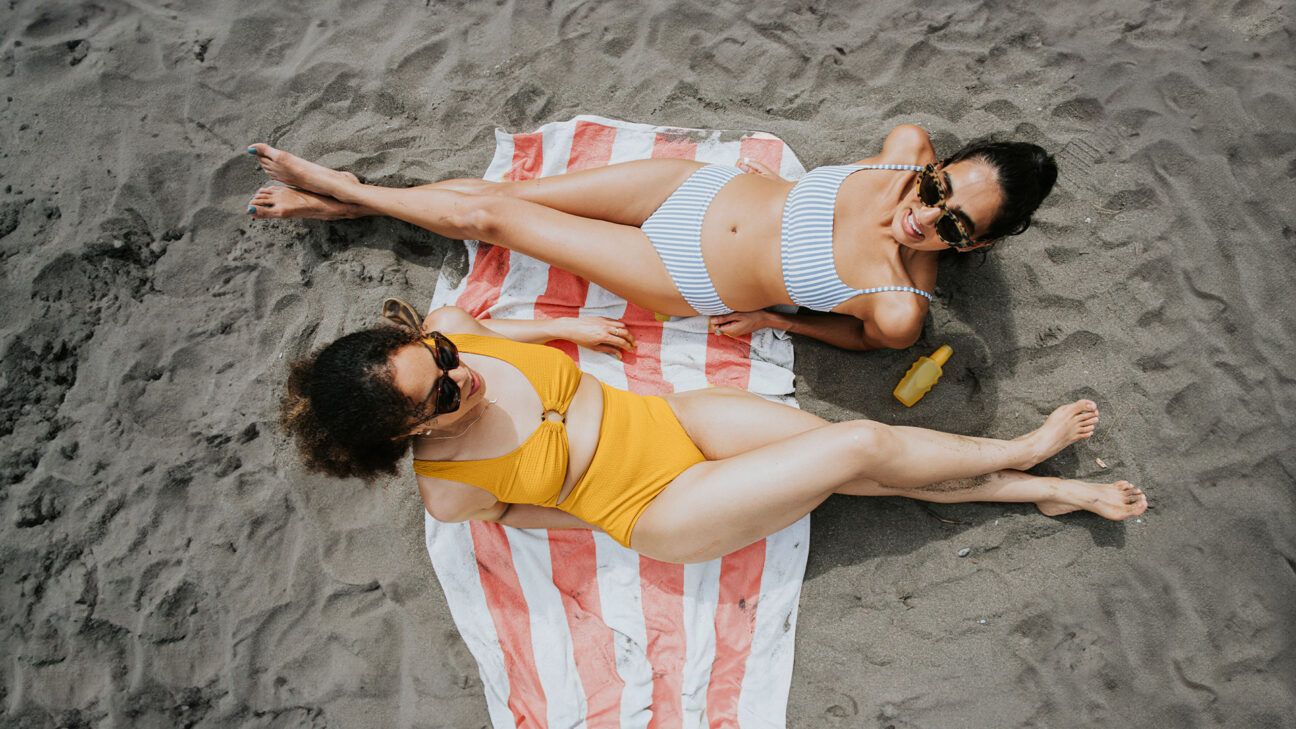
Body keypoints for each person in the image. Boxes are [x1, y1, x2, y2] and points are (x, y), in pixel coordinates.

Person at [280, 301, 1145, 565]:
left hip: (668, 417)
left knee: (844, 460)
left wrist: (570, 337)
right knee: (854, 448)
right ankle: (1027, 461)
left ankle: (1043, 488)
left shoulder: (456, 332)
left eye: (435, 354)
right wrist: (609, 521)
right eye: (438, 394)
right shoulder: (447, 487)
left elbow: (488, 320)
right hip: (659, 502)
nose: (457, 371)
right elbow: (508, 517)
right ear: (407, 432)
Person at [246, 124, 1057, 351]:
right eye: (942, 187)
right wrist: (924, 191)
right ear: (942, 161)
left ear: (974, 248)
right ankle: (357, 204)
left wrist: (779, 322)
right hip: (691, 186)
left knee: (493, 220)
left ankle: (345, 192)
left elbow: (864, 340)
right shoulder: (907, 149)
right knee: (500, 195)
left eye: (954, 226)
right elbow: (910, 146)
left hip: (679, 269)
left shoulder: (900, 303)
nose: (926, 212)